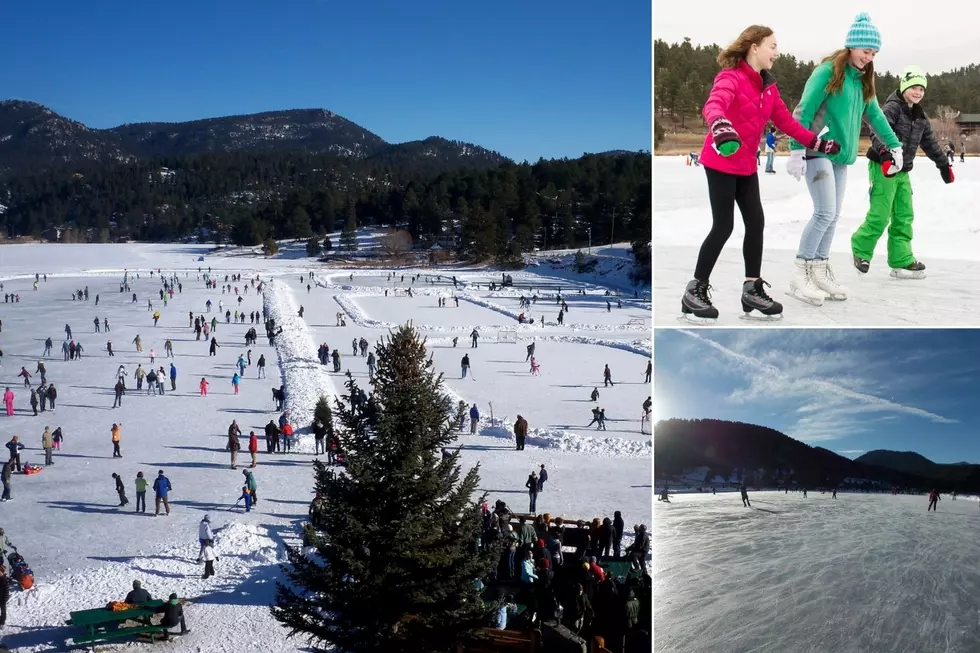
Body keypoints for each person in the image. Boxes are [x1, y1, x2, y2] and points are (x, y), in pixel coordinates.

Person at [681, 25, 841, 323]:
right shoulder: (731, 77)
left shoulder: (768, 87)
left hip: (745, 165)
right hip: (720, 162)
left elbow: (787, 122)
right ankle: (695, 290)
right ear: (754, 46)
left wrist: (816, 142)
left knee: (756, 222)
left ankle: (751, 289)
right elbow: (714, 104)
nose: (776, 52)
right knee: (724, 225)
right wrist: (718, 123)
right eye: (772, 45)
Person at [786, 13, 902, 305]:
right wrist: (797, 149)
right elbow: (804, 109)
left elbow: (875, 116)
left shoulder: (862, 81)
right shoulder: (827, 72)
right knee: (824, 212)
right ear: (852, 45)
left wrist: (895, 146)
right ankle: (800, 273)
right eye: (866, 51)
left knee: (833, 215)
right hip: (817, 150)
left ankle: (820, 269)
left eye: (874, 53)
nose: (869, 57)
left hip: (842, 157)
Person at [851, 65, 953, 278]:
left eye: (922, 89)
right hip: (883, 166)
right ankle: (861, 249)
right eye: (914, 87)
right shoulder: (892, 108)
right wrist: (886, 155)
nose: (918, 92)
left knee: (904, 215)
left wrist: (943, 164)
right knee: (880, 213)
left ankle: (901, 259)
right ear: (904, 85)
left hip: (903, 170)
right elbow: (877, 131)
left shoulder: (920, 115)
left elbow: (930, 142)